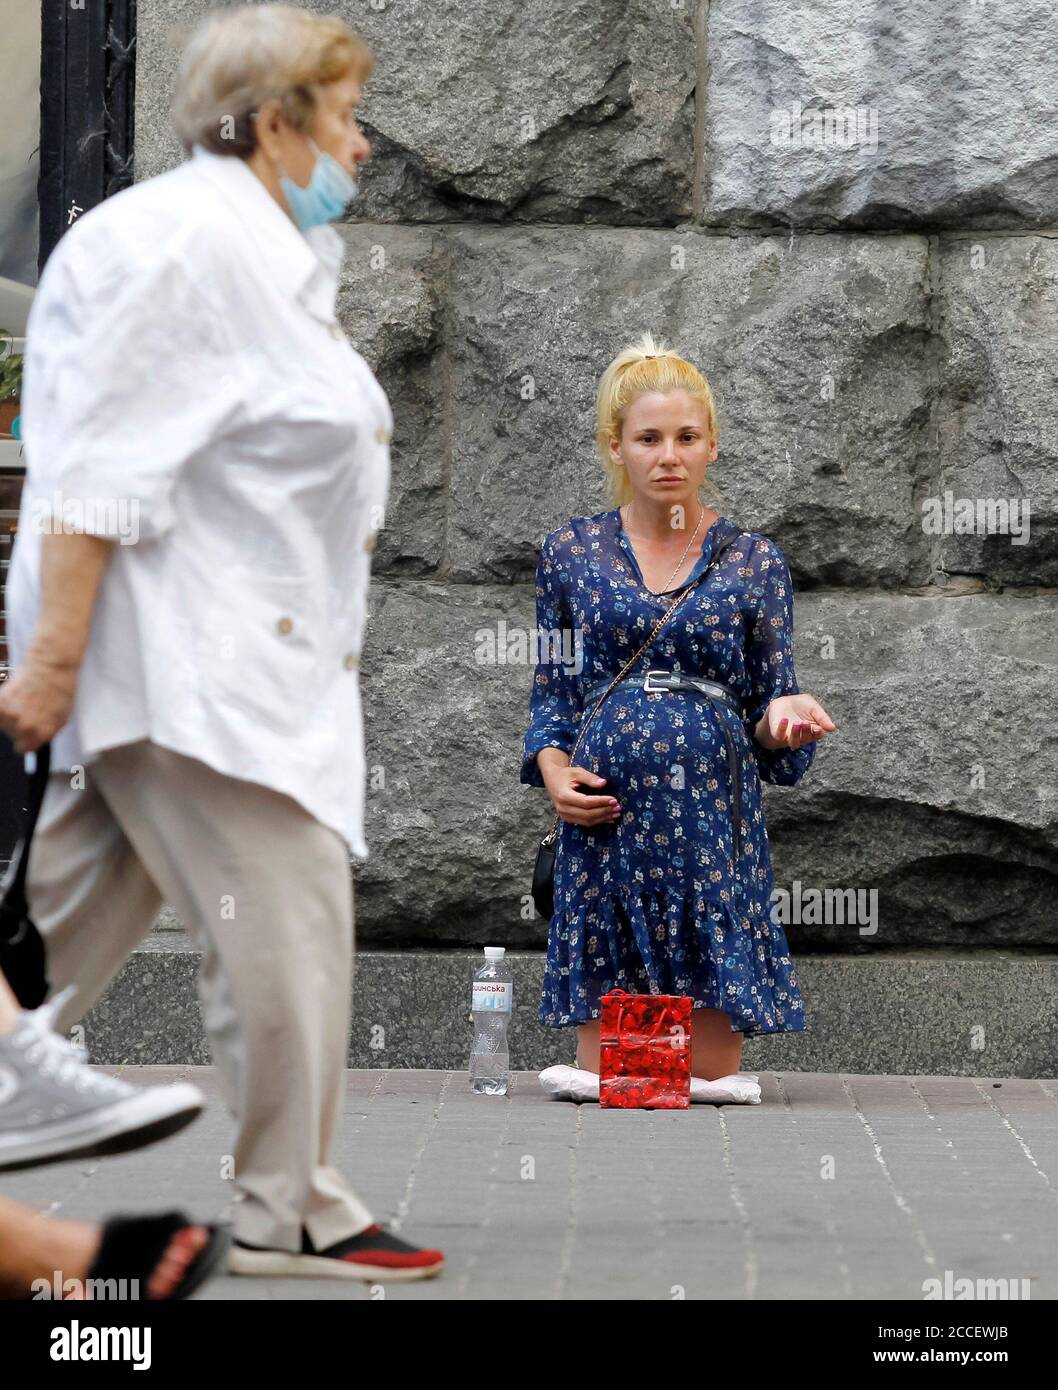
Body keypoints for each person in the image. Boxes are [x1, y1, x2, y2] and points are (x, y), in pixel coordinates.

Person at [0, 4, 442, 1281]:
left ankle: (279, 1195)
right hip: (185, 668)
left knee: (51, 920)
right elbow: (98, 471)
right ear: (275, 121)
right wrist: (54, 665)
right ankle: (289, 1206)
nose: (364, 146)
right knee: (289, 904)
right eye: (346, 118)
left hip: (213, 666)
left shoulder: (260, 254)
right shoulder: (186, 244)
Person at [521, 332, 836, 1091]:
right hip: (608, 812)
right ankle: (631, 1077)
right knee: (617, 1078)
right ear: (616, 446)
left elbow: (771, 710)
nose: (670, 454)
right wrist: (556, 776)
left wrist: (783, 717)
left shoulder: (754, 560)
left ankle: (684, 1078)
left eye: (687, 437)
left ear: (712, 446)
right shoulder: (570, 553)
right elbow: (553, 697)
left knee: (706, 1076)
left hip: (710, 811)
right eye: (649, 438)